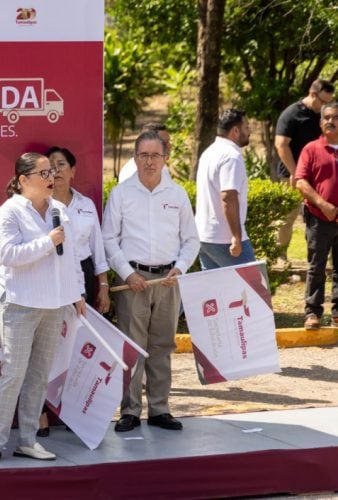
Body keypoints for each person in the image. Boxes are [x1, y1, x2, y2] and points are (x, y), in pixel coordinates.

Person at [0, 152, 86, 466]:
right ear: (24, 180)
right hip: (20, 304)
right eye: (42, 173)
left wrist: (76, 293)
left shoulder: (59, 210)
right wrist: (47, 241)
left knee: (39, 376)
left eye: (51, 171)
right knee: (12, 374)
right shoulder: (8, 213)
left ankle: (28, 440)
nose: (50, 177)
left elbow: (70, 257)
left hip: (54, 305)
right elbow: (9, 256)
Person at [102, 131, 199, 433]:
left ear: (165, 157)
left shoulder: (177, 194)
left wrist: (180, 268)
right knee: (132, 347)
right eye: (143, 155)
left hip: (168, 282)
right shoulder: (121, 194)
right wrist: (127, 273)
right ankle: (130, 410)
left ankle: (160, 409)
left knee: (161, 346)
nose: (149, 161)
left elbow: (192, 240)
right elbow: (108, 239)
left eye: (155, 155)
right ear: (135, 158)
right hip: (133, 280)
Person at [37, 145, 110, 436]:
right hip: (49, 281)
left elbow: (98, 250)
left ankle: (72, 413)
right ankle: (40, 414)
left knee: (78, 351)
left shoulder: (86, 205)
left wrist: (103, 285)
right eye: (50, 166)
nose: (57, 170)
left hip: (83, 280)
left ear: (73, 170)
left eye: (62, 164)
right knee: (46, 349)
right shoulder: (38, 205)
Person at [274, 79, 335, 259]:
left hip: (320, 176)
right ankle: (280, 258)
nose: (325, 106)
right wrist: (295, 173)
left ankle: (326, 258)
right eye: (323, 101)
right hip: (291, 175)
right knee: (288, 217)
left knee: (325, 215)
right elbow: (281, 145)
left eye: (328, 102)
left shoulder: (325, 116)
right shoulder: (292, 114)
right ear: (312, 94)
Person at [294, 102, 338, 330]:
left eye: (335, 117)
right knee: (316, 266)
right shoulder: (311, 149)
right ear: (321, 123)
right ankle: (312, 313)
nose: (330, 121)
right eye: (327, 118)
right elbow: (300, 182)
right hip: (318, 217)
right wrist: (324, 204)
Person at [195, 108, 256, 269]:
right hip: (224, 239)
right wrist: (236, 236)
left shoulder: (209, 152)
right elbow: (228, 197)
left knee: (217, 292)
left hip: (204, 237)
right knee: (254, 291)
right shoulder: (231, 156)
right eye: (246, 127)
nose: (249, 131)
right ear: (235, 131)